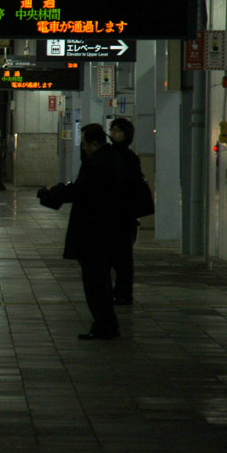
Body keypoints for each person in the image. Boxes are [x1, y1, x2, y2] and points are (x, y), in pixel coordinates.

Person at [37, 123, 122, 340]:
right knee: (99, 279)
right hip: (104, 229)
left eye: (84, 144)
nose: (83, 149)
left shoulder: (98, 164)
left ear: (94, 143)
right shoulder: (111, 159)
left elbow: (80, 191)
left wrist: (51, 193)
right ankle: (106, 324)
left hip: (94, 232)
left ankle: (105, 325)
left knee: (95, 282)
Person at [109, 117, 143, 305]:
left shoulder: (128, 158)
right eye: (112, 129)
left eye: (118, 130)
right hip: (120, 215)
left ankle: (123, 292)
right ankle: (119, 291)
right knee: (119, 258)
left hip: (124, 216)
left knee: (123, 259)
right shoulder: (114, 155)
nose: (113, 133)